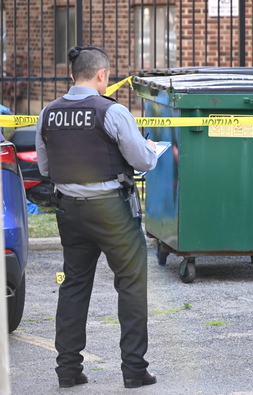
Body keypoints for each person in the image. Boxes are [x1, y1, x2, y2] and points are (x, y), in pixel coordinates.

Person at [35, 45, 158, 389]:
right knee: (131, 285)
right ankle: (134, 370)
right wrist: (150, 150)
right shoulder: (112, 112)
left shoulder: (48, 113)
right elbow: (142, 162)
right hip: (112, 211)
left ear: (72, 75)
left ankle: (68, 371)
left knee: (73, 286)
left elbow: (46, 168)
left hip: (69, 211)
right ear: (102, 75)